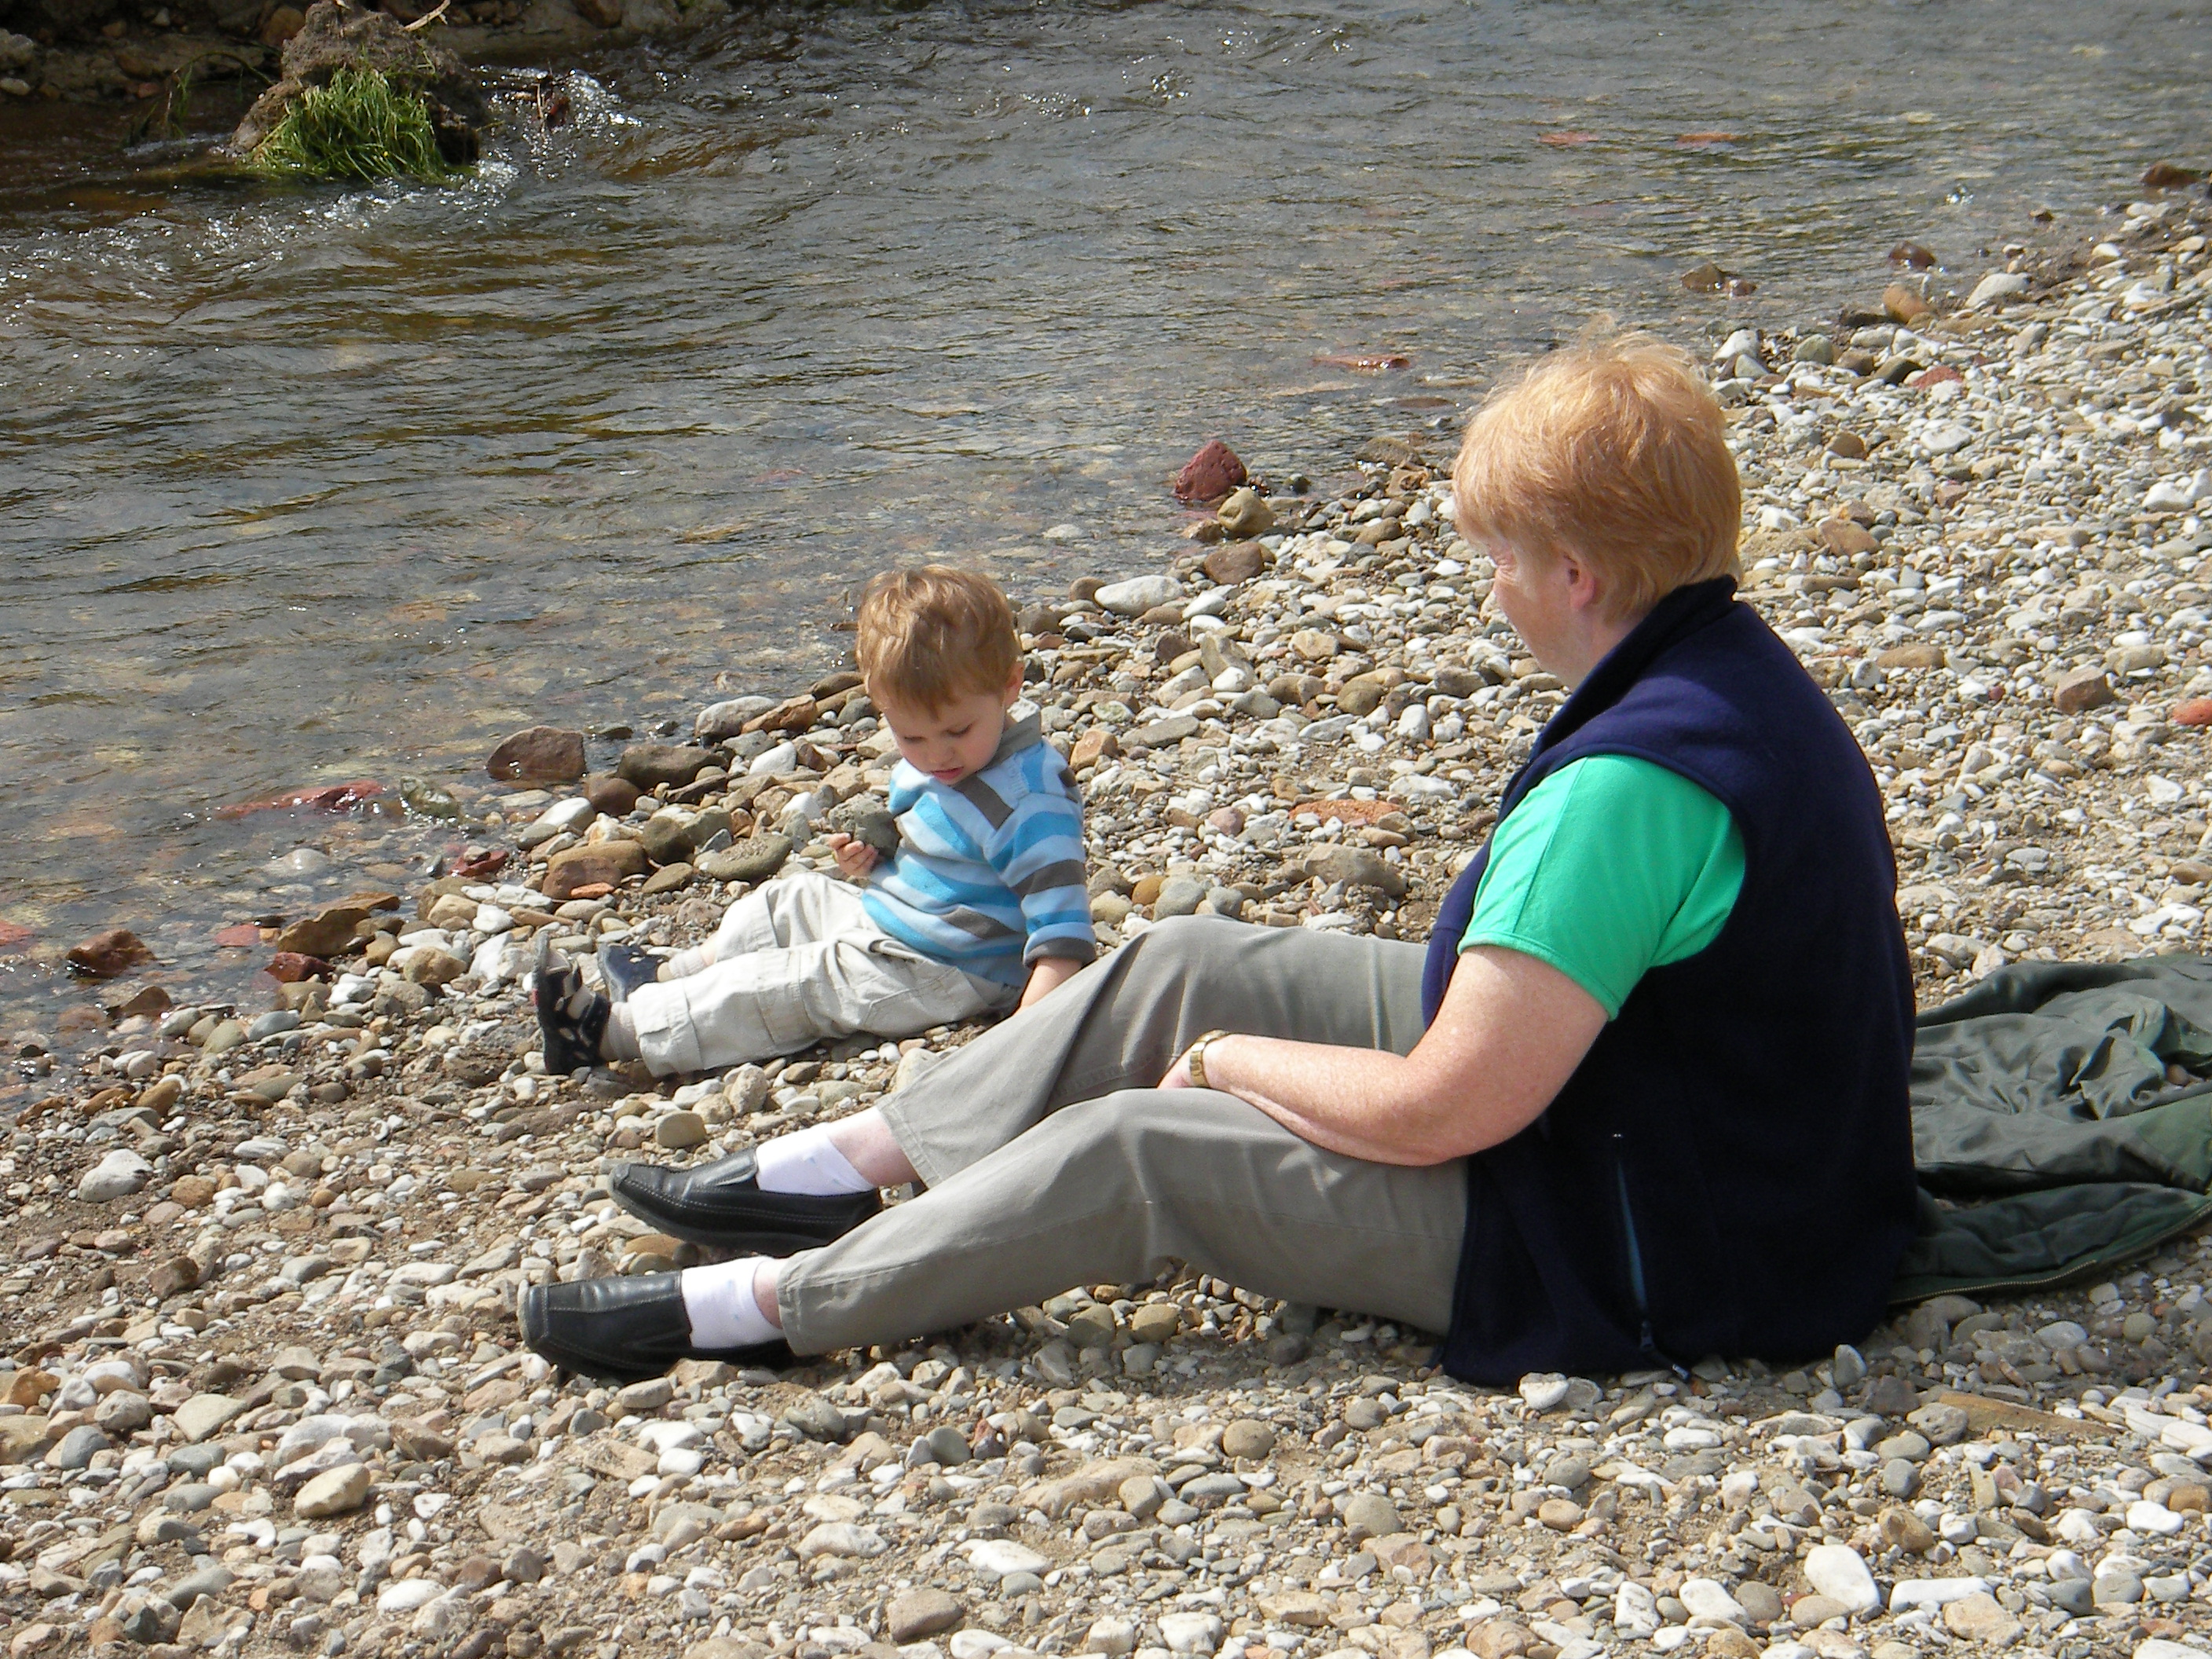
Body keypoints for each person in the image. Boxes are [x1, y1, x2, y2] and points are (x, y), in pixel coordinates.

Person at [522, 322, 1918, 1386]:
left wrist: (1234, 1067)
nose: (1493, 591)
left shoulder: (1623, 792)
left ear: (1579, 576)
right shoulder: (1730, 671)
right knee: (1180, 959)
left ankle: (776, 1306)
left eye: (1500, 558)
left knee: (1146, 1145)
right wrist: (1227, 1036)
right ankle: (856, 1161)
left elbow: (1446, 1112)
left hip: (1650, 1240)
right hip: (1665, 1111)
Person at [533, 566, 1096, 1080]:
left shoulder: (1028, 803)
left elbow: (1063, 938)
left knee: (798, 983)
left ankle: (605, 1033)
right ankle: (668, 975)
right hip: (902, 917)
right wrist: (873, 863)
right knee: (789, 900)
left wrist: (1021, 1043)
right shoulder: (952, 761)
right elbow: (941, 850)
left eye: (957, 731)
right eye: (911, 736)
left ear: (1010, 686)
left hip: (953, 967)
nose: (936, 754)